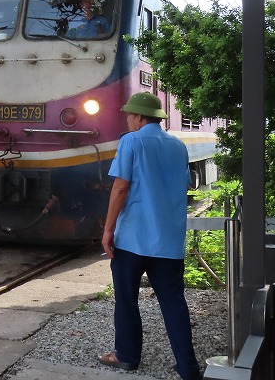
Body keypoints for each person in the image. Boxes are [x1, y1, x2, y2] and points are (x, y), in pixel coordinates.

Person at [99, 92, 201, 380]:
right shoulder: (178, 146)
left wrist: (108, 229)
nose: (128, 120)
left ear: (140, 117)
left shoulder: (131, 141)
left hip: (132, 239)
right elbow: (181, 187)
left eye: (130, 115)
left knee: (127, 299)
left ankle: (127, 356)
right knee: (173, 302)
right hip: (167, 241)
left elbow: (120, 188)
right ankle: (187, 367)